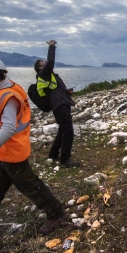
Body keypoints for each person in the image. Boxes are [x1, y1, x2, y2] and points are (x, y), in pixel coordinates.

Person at [0, 30, 67, 237]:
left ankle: (57, 214)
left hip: (12, 151)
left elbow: (9, 127)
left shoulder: (6, 96)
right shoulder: (9, 85)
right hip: (4, 150)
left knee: (30, 185)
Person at [32, 40, 80, 168]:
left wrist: (67, 92)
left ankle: (53, 154)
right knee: (68, 132)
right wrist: (52, 47)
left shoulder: (50, 76)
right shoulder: (44, 74)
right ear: (41, 68)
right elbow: (51, 62)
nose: (46, 62)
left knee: (62, 130)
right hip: (60, 105)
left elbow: (54, 90)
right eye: (43, 62)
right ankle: (65, 160)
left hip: (60, 103)